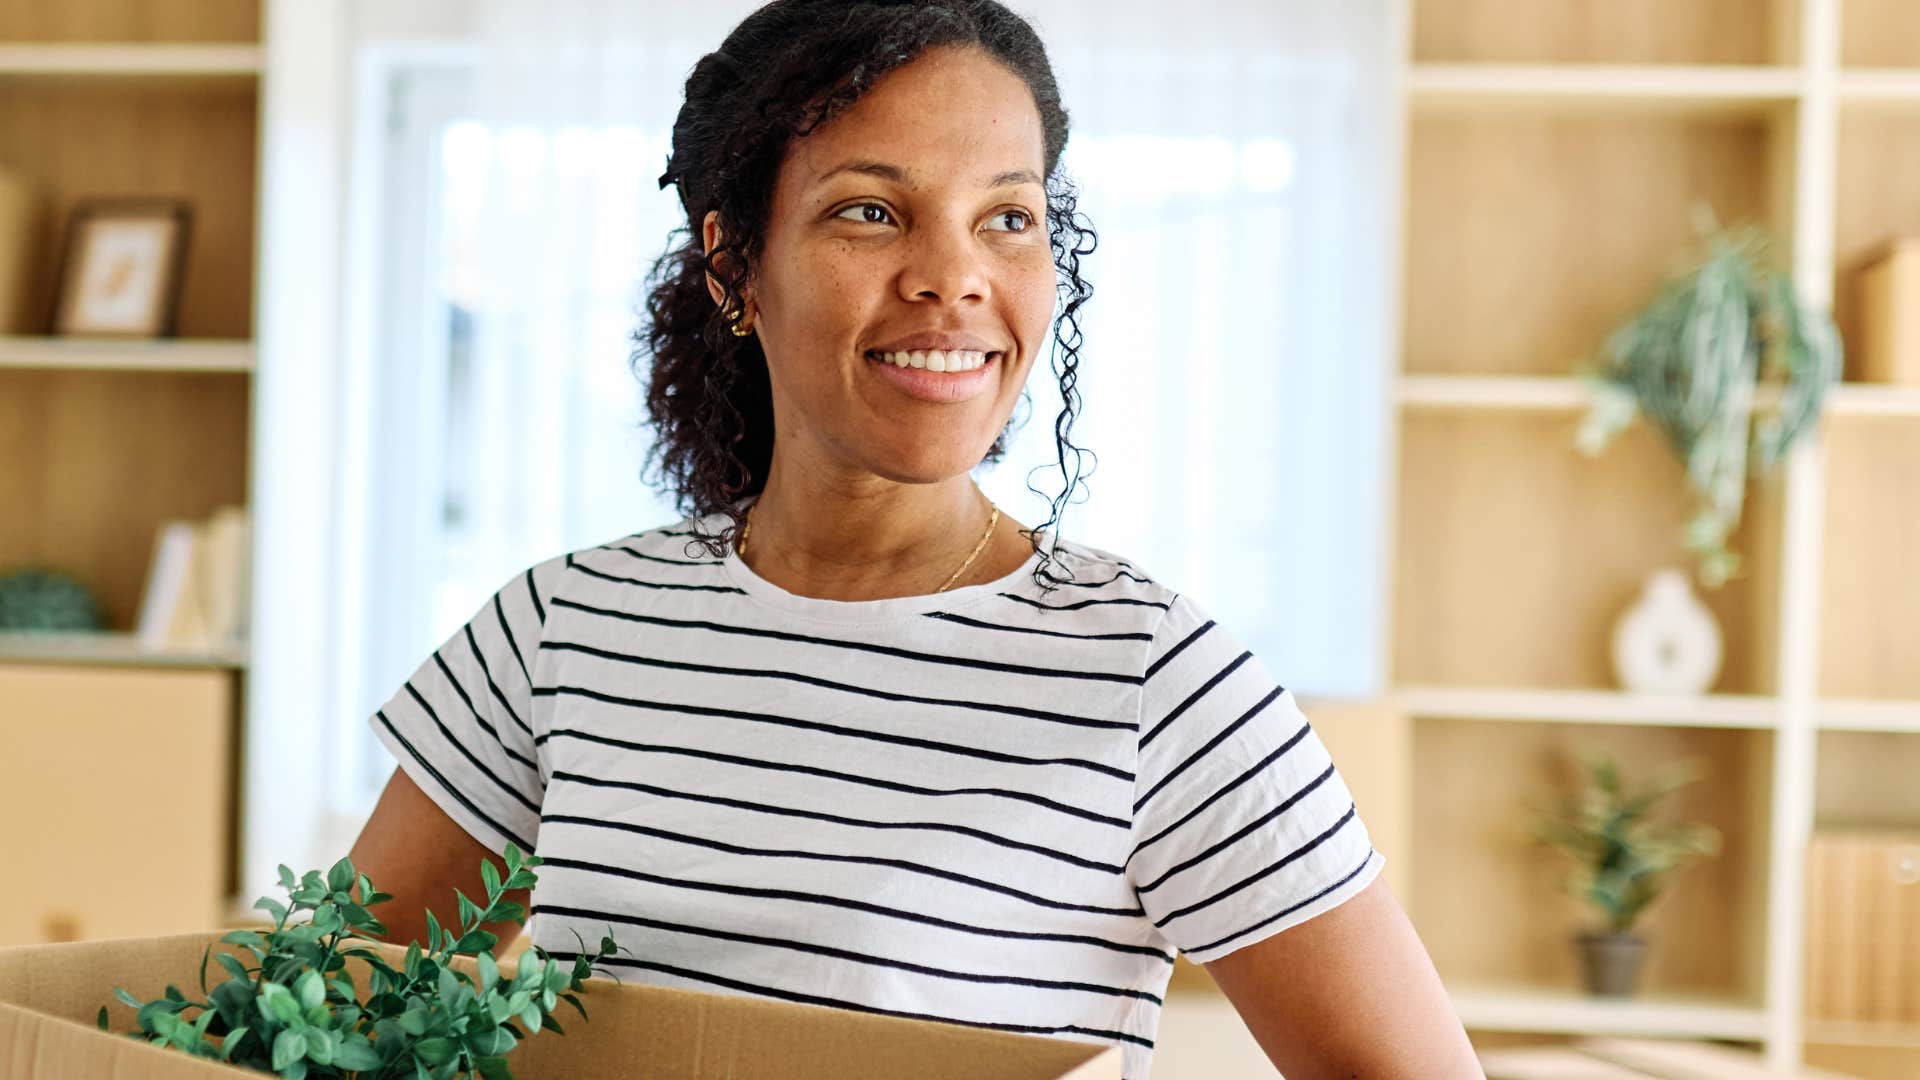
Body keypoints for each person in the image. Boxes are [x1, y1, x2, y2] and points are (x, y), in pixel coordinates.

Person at [348, 2, 1480, 1076]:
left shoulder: (1151, 677)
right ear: (732, 261)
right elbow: (338, 1010)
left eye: (1008, 218)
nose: (955, 278)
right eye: (871, 211)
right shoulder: (565, 627)